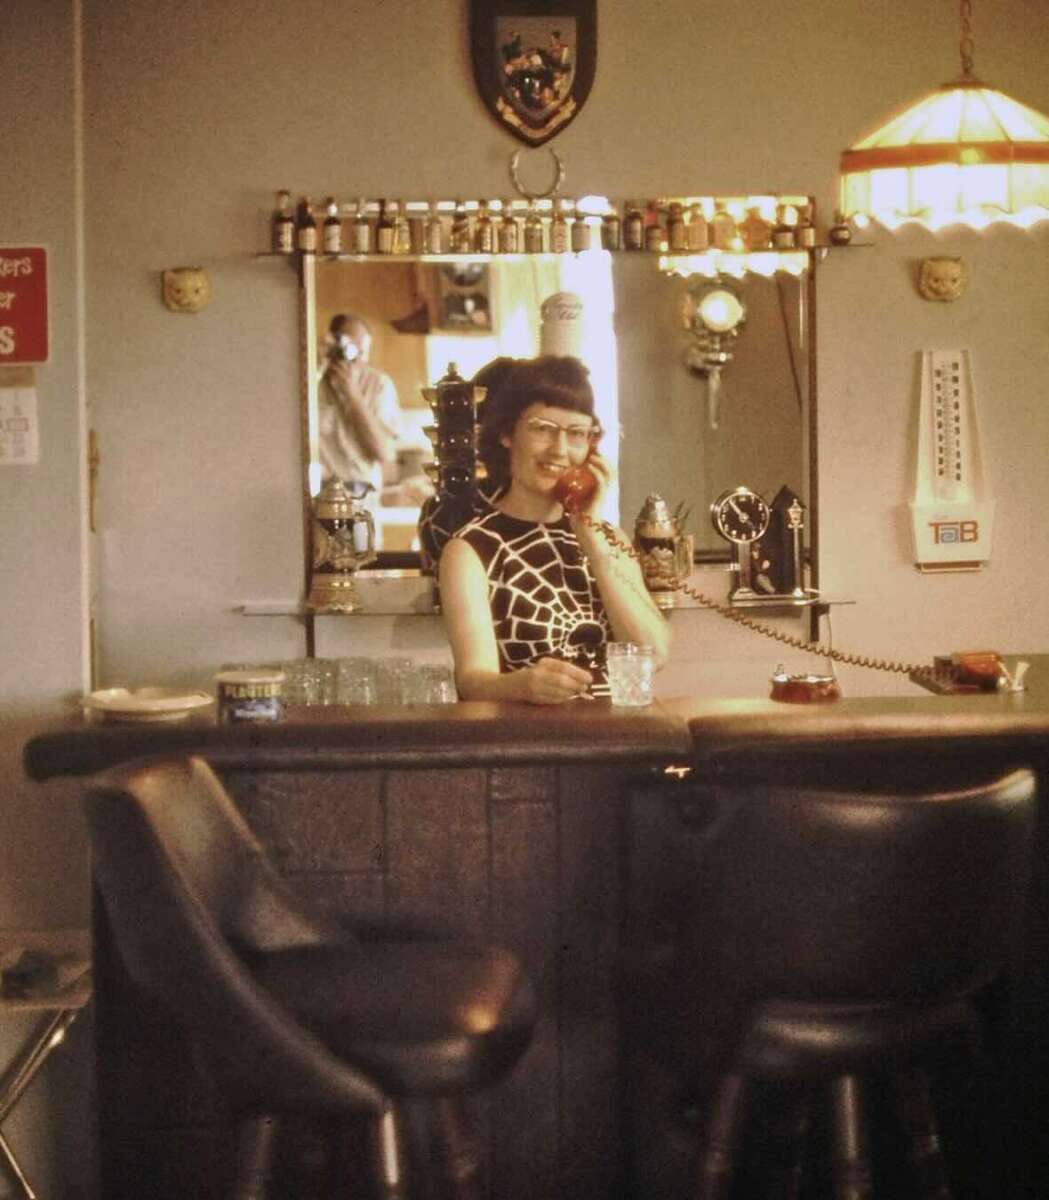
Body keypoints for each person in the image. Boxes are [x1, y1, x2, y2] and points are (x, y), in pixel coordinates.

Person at [439, 355, 670, 703]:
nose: (560, 450)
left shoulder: (609, 539)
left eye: (576, 434)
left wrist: (593, 540)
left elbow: (654, 656)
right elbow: (472, 680)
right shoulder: (469, 550)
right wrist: (522, 685)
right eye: (542, 429)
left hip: (622, 731)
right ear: (506, 433)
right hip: (528, 733)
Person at [317, 313, 401, 505]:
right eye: (348, 348)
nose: (354, 358)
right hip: (320, 492)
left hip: (362, 494)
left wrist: (352, 394)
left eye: (362, 353)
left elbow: (382, 452)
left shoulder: (378, 384)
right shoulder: (311, 380)